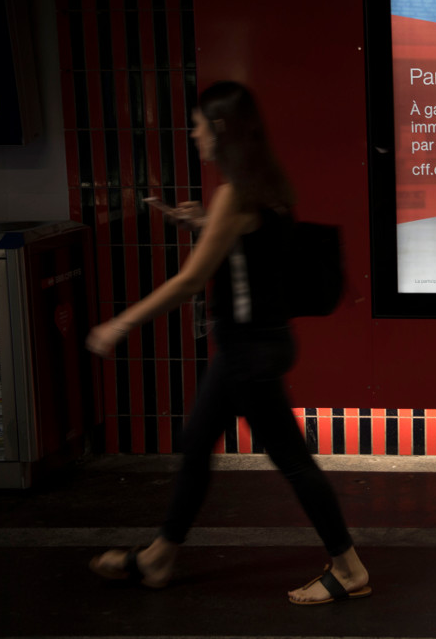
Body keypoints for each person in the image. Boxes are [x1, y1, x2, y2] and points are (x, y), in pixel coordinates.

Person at [85, 82, 371, 605]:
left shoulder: (234, 194)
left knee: (292, 461)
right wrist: (203, 221)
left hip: (248, 354)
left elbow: (192, 281)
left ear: (218, 129)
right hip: (259, 343)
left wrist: (120, 324)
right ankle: (159, 556)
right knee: (197, 442)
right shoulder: (266, 184)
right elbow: (255, 250)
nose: (192, 135)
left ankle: (348, 567)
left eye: (197, 125)